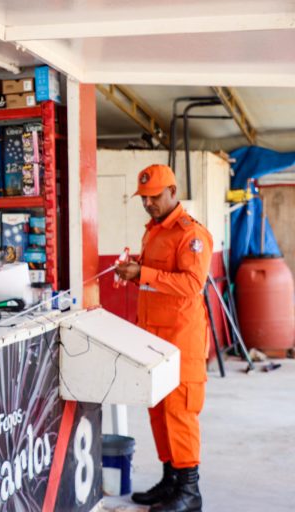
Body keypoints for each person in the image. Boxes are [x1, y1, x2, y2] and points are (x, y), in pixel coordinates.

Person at [115, 164, 212, 512]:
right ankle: (171, 480)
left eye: (155, 197)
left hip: (181, 341)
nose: (149, 204)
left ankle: (189, 491)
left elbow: (191, 284)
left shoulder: (191, 234)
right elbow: (154, 278)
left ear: (173, 191)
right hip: (152, 339)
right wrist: (134, 272)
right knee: (158, 411)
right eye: (145, 198)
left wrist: (146, 272)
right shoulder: (153, 231)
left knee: (180, 414)